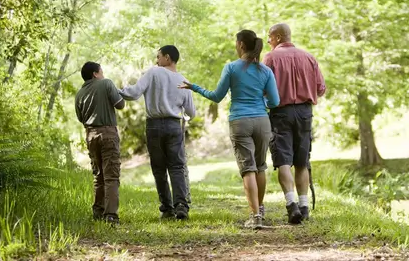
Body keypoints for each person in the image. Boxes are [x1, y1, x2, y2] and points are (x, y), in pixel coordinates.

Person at [179, 30, 280, 229]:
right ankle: (260, 210)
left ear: (241, 44)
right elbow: (275, 101)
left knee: (248, 169)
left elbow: (217, 96)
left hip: (240, 121)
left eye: (236, 43)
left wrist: (195, 87)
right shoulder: (265, 71)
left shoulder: (231, 68)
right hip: (262, 120)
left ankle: (255, 216)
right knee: (260, 167)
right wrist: (260, 100)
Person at [120, 45, 195, 220]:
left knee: (159, 169)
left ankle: (167, 208)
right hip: (174, 126)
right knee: (177, 166)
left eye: (158, 56)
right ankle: (181, 206)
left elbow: (134, 93)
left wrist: (116, 91)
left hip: (153, 125)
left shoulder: (154, 73)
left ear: (167, 58)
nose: (156, 60)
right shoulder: (184, 80)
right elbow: (191, 112)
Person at [263, 23, 326, 224]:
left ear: (279, 37)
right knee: (301, 161)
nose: (268, 41)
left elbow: (262, 86)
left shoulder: (271, 57)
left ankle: (291, 205)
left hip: (280, 112)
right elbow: (321, 89)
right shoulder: (309, 57)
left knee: (282, 161)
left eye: (270, 37)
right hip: (305, 112)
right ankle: (304, 206)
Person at [75, 61, 125, 225]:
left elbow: (80, 118)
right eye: (101, 71)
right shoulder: (106, 83)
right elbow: (121, 105)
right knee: (111, 175)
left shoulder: (80, 93)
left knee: (98, 176)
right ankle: (110, 215)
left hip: (90, 135)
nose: (103, 73)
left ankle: (98, 212)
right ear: (95, 73)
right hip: (108, 133)